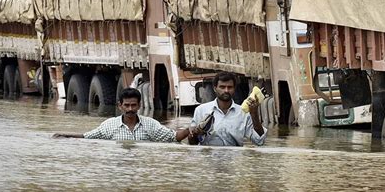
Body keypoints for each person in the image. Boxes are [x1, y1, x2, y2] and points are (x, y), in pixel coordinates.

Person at [53, 88, 190, 142]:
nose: (130, 109)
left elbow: (173, 137)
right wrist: (65, 135)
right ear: (120, 106)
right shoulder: (109, 125)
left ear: (139, 105)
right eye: (127, 105)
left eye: (133, 105)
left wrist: (191, 129)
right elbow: (87, 137)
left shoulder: (151, 125)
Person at [188, 72, 267, 146]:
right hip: (209, 158)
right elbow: (192, 142)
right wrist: (195, 133)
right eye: (222, 87)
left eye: (229, 87)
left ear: (234, 89)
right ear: (215, 88)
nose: (226, 90)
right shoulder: (201, 110)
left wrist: (254, 114)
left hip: (235, 158)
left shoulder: (243, 113)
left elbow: (259, 141)